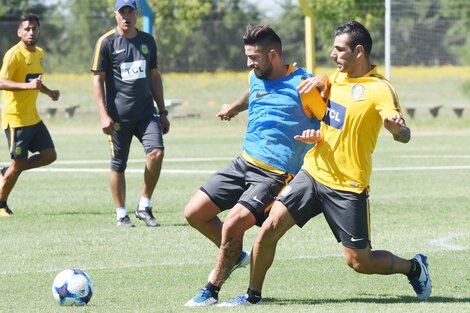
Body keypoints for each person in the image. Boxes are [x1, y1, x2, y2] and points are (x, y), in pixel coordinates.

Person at [220, 21, 432, 306]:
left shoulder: (380, 89)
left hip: (348, 185)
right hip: (313, 172)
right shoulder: (336, 78)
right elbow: (333, 121)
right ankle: (252, 296)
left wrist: (397, 130)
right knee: (269, 228)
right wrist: (316, 133)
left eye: (339, 49)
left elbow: (404, 134)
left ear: (359, 51)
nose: (333, 55)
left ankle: (414, 267)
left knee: (359, 261)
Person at [184, 24, 326, 307]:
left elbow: (332, 117)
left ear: (273, 54)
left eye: (254, 57)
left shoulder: (305, 85)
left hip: (276, 174)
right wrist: (234, 108)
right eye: (248, 56)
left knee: (234, 223)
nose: (249, 63)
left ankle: (211, 290)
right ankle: (234, 255)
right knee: (194, 213)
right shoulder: (255, 76)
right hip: (243, 162)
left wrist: (319, 131)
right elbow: (252, 93)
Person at [91, 0, 170, 228]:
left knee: (157, 153)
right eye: (122, 11)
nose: (126, 16)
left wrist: (162, 111)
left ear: (136, 14)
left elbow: (154, 76)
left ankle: (144, 206)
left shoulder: (147, 41)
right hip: (118, 118)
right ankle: (121, 213)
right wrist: (103, 115)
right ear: (115, 14)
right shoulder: (106, 42)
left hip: (146, 114)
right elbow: (98, 80)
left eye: (130, 11)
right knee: (118, 164)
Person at [0, 13, 60, 217]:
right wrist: (26, 86)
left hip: (32, 117)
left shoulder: (39, 53)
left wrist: (49, 92)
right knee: (19, 164)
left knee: (49, 155)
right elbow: (1, 82)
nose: (31, 32)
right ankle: (0, 204)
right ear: (19, 32)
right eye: (27, 29)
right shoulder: (13, 54)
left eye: (34, 28)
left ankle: (8, 170)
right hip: (16, 119)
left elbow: (35, 82)